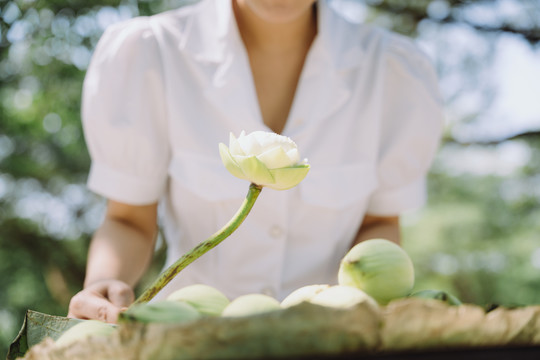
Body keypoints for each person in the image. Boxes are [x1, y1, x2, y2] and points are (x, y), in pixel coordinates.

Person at [68, 0, 444, 323]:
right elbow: (128, 220)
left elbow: (379, 224)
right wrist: (104, 283)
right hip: (189, 341)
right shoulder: (150, 53)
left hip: (330, 341)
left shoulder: (395, 71)